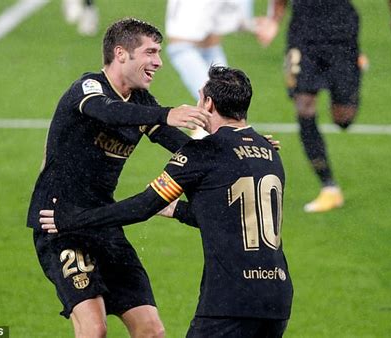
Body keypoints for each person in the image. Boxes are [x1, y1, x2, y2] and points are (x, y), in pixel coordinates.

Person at [40, 66, 293, 337]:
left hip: (229, 301)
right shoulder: (268, 152)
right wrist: (177, 210)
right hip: (277, 299)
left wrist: (73, 220)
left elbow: (141, 206)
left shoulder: (202, 154)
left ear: (208, 103)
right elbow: (225, 216)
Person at [27, 18, 211, 338]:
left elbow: (182, 148)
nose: (158, 62)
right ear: (121, 53)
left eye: (159, 53)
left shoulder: (140, 101)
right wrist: (165, 113)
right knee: (95, 328)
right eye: (150, 52)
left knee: (151, 330)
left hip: (103, 219)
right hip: (61, 221)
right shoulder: (89, 88)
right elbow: (106, 111)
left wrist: (231, 147)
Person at [255, 0, 391, 213]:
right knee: (304, 106)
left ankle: (356, 65)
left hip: (341, 32)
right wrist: (273, 20)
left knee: (343, 119)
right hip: (303, 35)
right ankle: (329, 187)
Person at [165, 0, 258, 138]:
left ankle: (242, 143)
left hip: (207, 48)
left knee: (228, 100)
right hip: (190, 48)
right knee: (221, 100)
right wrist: (251, 24)